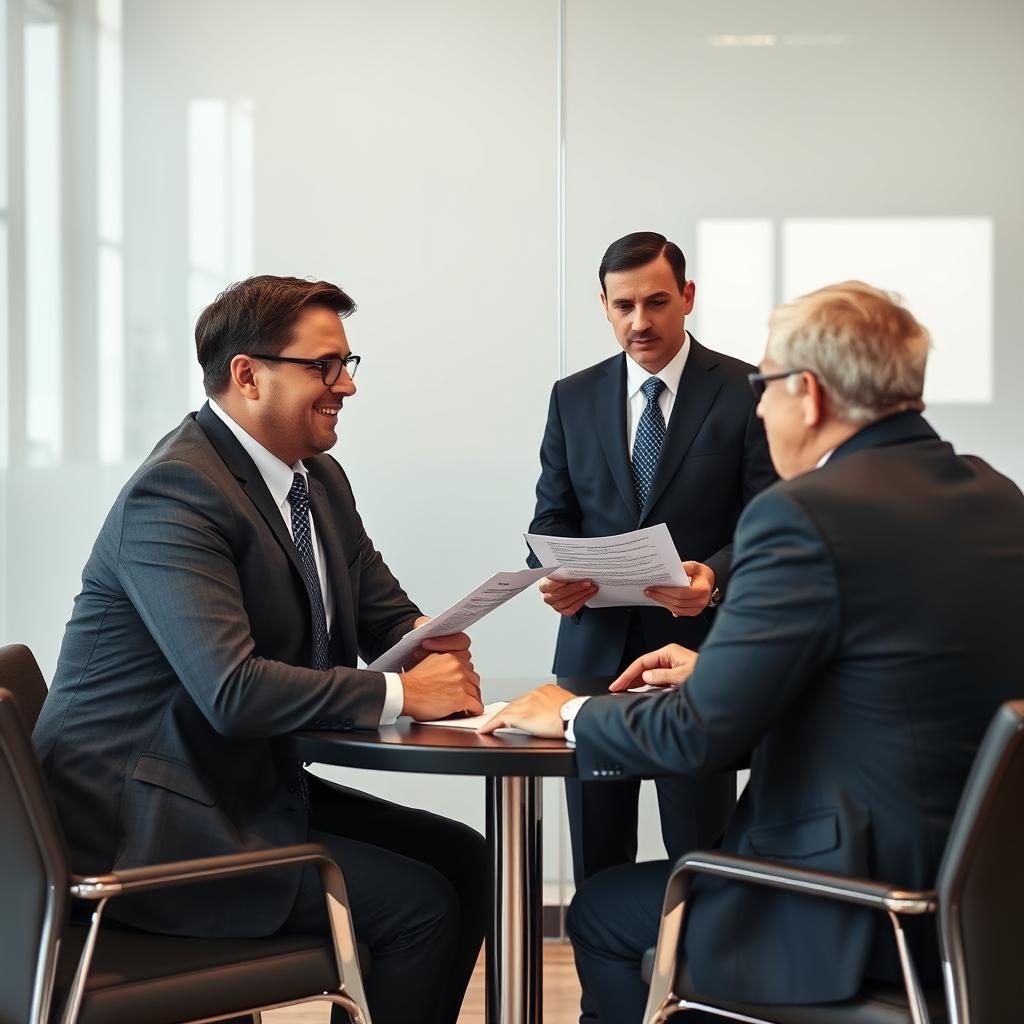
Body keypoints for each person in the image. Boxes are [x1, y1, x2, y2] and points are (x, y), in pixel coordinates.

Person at [486, 281, 1024, 1021]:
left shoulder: (802, 516)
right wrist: (723, 670)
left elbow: (697, 734)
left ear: (807, 393)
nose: (758, 406)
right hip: (981, 899)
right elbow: (901, 673)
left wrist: (573, 712)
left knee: (603, 908)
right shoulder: (997, 497)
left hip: (848, 905)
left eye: (763, 386)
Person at [34, 275, 487, 1024]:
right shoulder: (177, 492)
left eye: (348, 363)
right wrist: (407, 693)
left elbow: (382, 611)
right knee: (422, 908)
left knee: (466, 860)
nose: (346, 385)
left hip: (235, 786)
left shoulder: (318, 482)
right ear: (247, 374)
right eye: (324, 366)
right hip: (145, 829)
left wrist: (428, 640)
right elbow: (232, 689)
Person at [528, 231, 775, 886]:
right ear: (605, 305)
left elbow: (768, 520)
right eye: (624, 305)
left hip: (698, 659)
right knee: (595, 863)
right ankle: (597, 992)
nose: (641, 322)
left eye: (658, 302)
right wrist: (553, 575)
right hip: (590, 661)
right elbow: (552, 515)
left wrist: (716, 576)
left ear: (687, 297)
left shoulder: (747, 390)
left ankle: (691, 990)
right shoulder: (571, 396)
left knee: (701, 865)